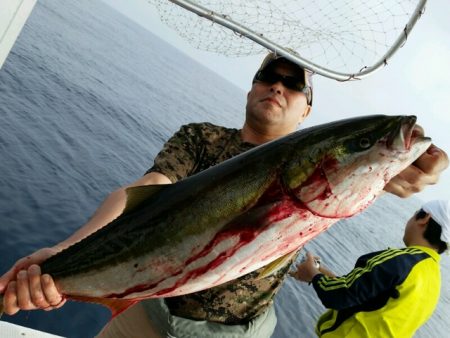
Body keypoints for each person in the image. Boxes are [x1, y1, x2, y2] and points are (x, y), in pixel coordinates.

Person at [0, 52, 448, 337]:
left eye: (294, 85)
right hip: (149, 312)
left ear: (307, 109)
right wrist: (65, 254)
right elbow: (146, 189)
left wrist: (390, 170)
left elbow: (352, 177)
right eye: (269, 75)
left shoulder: (315, 163)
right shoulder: (202, 138)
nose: (279, 86)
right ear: (252, 86)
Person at [291, 200, 449, 337]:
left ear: (425, 218)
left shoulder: (402, 260)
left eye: (415, 213)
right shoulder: (433, 279)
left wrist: (312, 274)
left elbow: (340, 296)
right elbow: (368, 298)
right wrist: (320, 271)